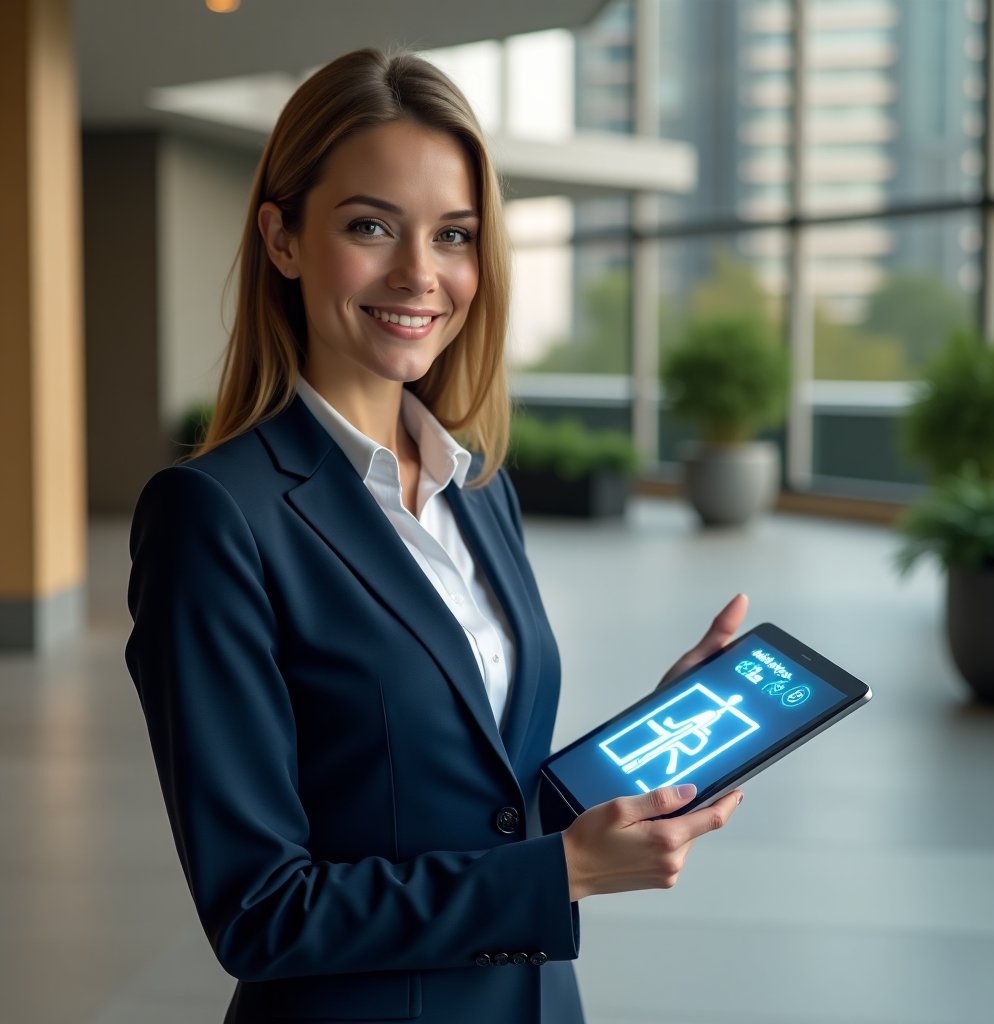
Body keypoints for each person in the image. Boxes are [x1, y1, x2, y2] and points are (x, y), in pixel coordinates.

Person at [125, 48, 747, 1024]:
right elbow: (259, 912)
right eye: (371, 226)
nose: (420, 274)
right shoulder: (216, 517)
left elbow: (483, 800)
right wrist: (562, 872)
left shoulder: (475, 487)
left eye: (453, 235)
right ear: (282, 239)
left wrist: (644, 748)